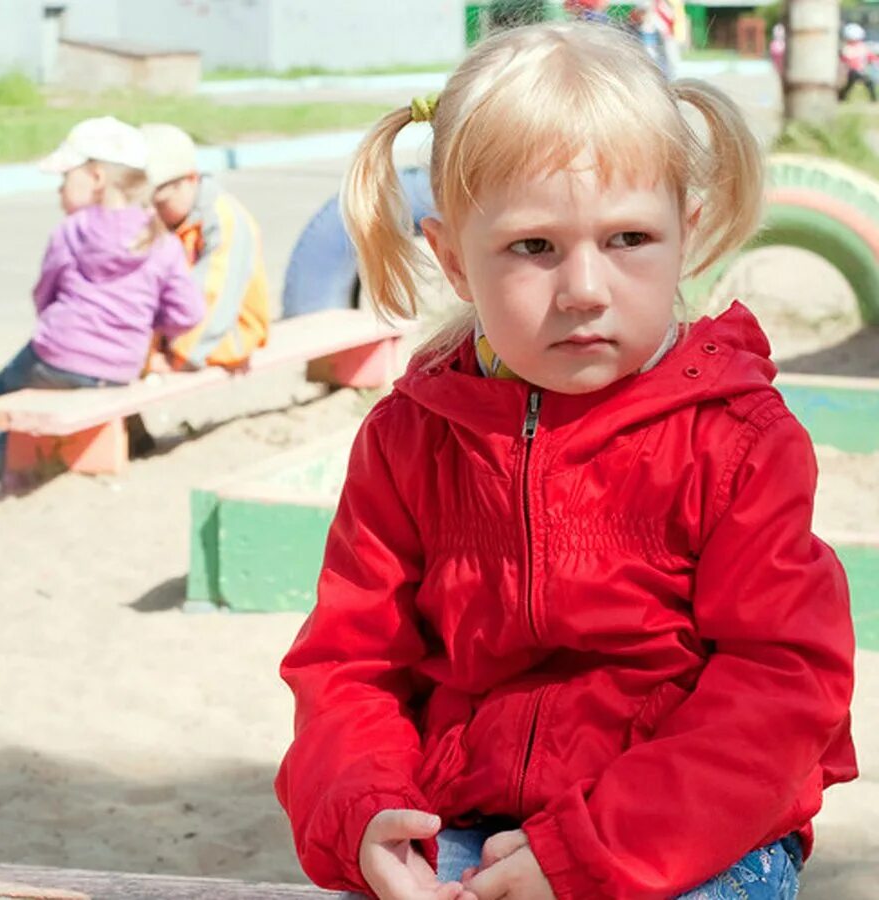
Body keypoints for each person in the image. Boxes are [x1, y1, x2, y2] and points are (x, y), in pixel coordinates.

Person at [275, 20, 855, 900]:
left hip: (688, 835)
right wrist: (362, 810)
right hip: (468, 822)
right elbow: (351, 668)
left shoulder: (736, 439)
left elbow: (785, 685)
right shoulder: (410, 441)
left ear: (687, 232)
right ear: (452, 259)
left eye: (628, 240)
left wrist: (590, 849)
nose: (585, 288)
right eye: (533, 247)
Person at [0, 117, 203, 491]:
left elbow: (44, 295)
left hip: (56, 356)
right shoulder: (161, 240)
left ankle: (6, 476)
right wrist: (151, 325)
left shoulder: (71, 231)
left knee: (1, 389)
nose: (59, 191)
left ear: (98, 179)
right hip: (120, 366)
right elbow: (189, 312)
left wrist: (61, 322)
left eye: (65, 179)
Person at [139, 123, 270, 372]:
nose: (150, 212)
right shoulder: (162, 218)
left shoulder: (224, 220)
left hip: (227, 331)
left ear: (190, 179)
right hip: (175, 327)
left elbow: (214, 297)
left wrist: (173, 359)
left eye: (159, 201)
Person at [839, 22, 878, 102]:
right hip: (851, 72)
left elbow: (871, 57)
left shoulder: (862, 47)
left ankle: (873, 99)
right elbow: (845, 61)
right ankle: (841, 97)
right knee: (848, 85)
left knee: (869, 83)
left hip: (862, 71)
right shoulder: (846, 48)